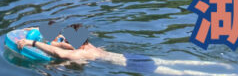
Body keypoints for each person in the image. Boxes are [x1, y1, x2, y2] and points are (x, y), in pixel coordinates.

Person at [16, 33, 154, 73]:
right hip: (128, 56)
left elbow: (58, 53)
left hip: (126, 64)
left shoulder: (80, 54)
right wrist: (40, 34)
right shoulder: (88, 46)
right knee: (169, 64)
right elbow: (60, 44)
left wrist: (32, 43)